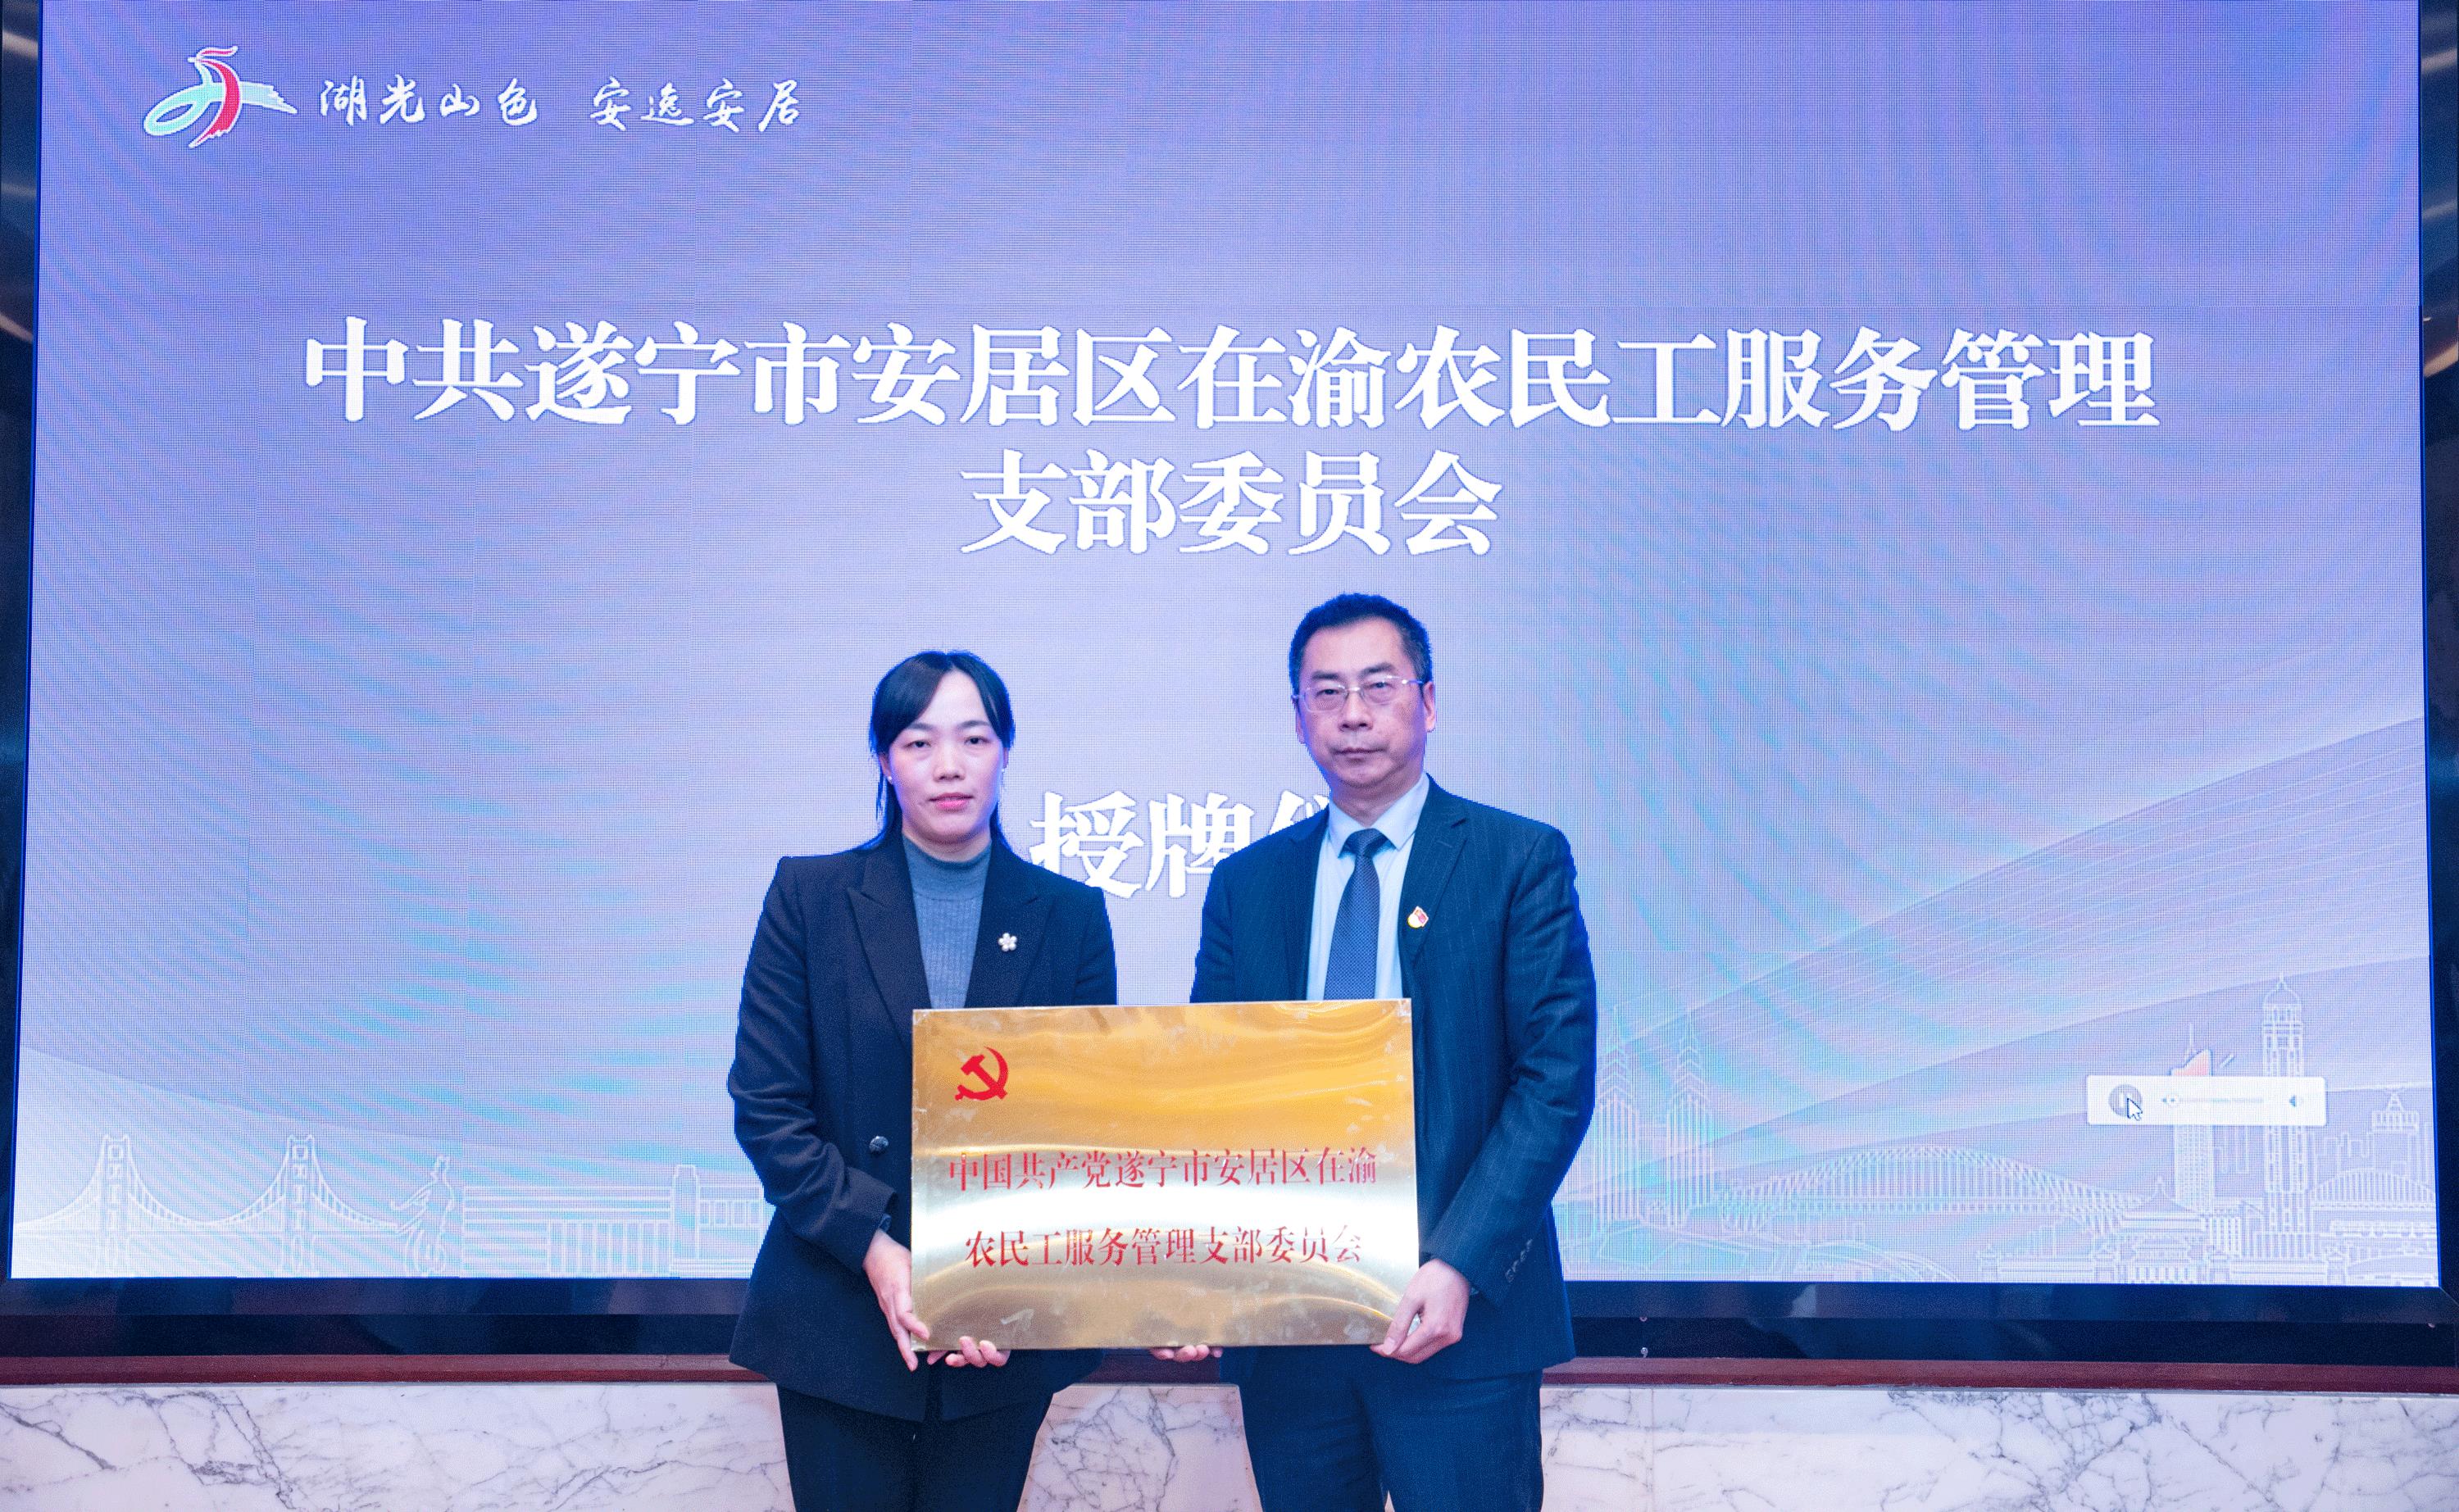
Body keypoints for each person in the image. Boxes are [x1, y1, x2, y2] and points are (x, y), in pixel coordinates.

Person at [1173, 593, 1597, 1512]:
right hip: (1288, 1325)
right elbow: (1211, 1089)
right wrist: (1189, 1278)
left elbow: (1553, 1083)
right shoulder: (1249, 884)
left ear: (1428, 701)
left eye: (1378, 686)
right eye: (1326, 693)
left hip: (1459, 1322)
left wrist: (1458, 1262)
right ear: (1298, 718)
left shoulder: (1516, 859)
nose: (1353, 715)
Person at [729, 651, 1111, 1512]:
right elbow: (768, 1106)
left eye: (974, 739)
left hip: (1004, 1329)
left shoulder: (1070, 915)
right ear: (883, 758)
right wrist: (875, 1247)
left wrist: (993, 1289)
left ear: (1005, 751)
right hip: (836, 1311)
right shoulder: (810, 897)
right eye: (919, 742)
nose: (949, 765)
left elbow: (1083, 1130)